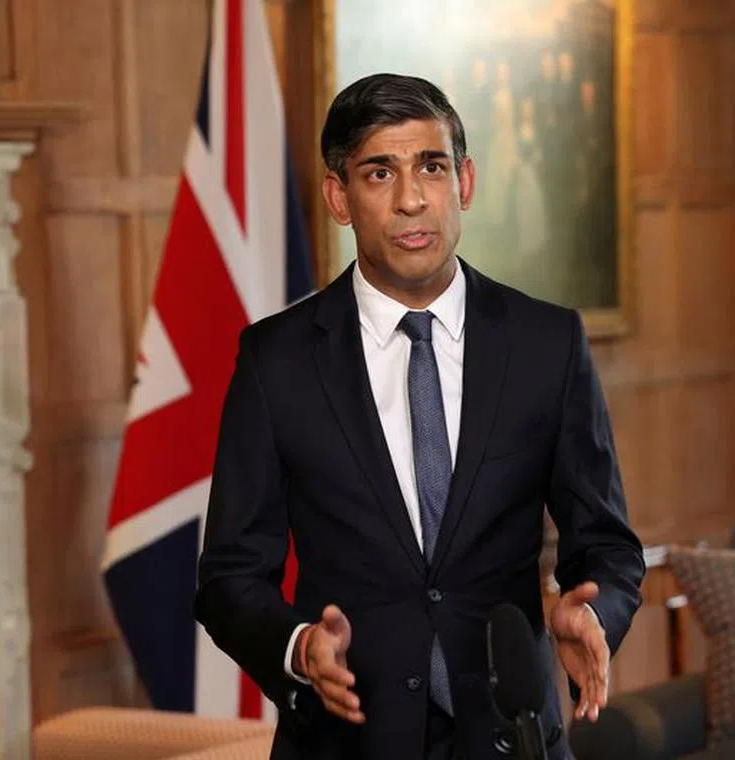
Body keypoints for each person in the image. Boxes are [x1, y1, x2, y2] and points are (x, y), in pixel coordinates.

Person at [195, 72, 645, 760]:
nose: (412, 199)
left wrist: (595, 613)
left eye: (431, 167)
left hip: (511, 738)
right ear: (339, 197)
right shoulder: (275, 361)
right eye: (380, 173)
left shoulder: (546, 344)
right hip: (347, 742)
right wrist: (298, 647)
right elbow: (228, 578)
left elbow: (608, 547)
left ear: (463, 181)